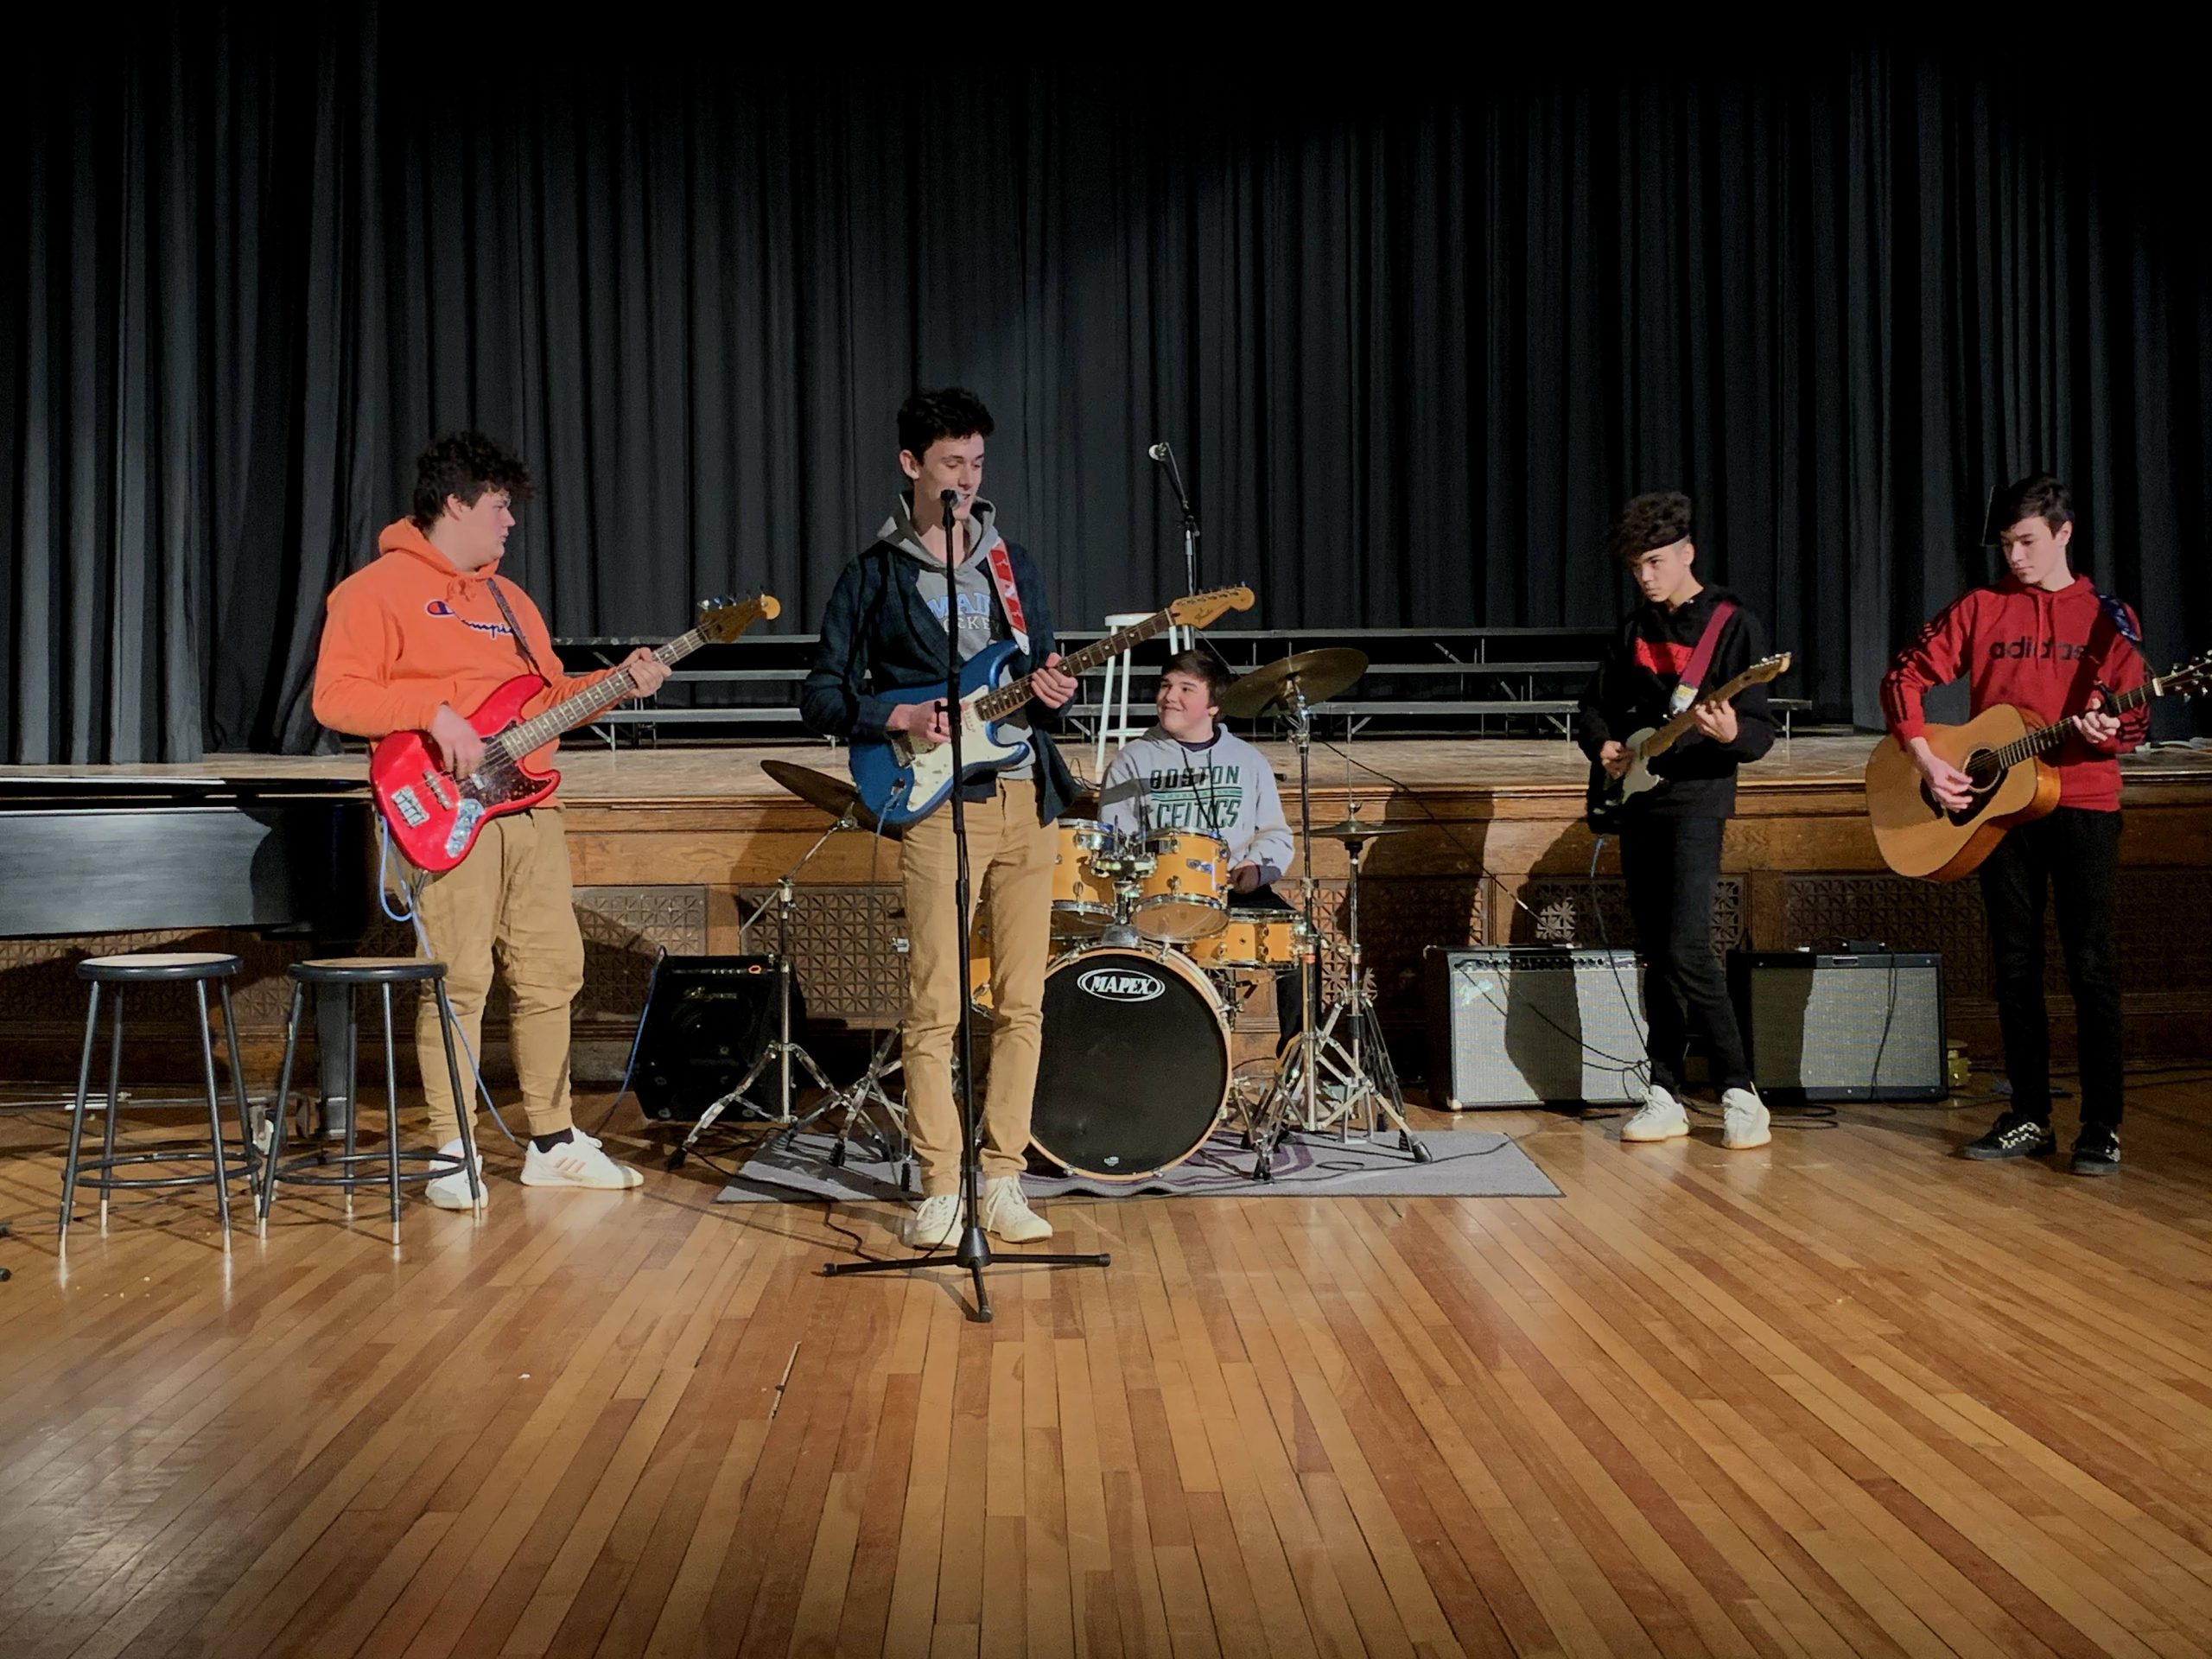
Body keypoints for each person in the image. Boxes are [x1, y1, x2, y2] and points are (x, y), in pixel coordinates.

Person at [312, 431, 671, 1206]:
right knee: (459, 978)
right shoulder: (374, 591)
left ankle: (553, 1141)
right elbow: (335, 697)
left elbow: (545, 700)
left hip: (531, 808)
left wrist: (619, 683)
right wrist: (431, 711)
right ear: (456, 504)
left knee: (552, 971)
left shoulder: (511, 601)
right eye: (500, 507)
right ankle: (452, 1151)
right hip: (443, 809)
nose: (510, 522)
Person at [800, 389, 1079, 1246]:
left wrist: (1055, 691)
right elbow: (820, 694)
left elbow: (1040, 684)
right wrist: (899, 714)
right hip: (935, 803)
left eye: (978, 462)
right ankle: (939, 1184)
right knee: (935, 1007)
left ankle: (1003, 1179)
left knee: (1023, 1002)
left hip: (1026, 798)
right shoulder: (873, 574)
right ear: (912, 465)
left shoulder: (1012, 566)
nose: (968, 478)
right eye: (952, 462)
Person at [1882, 474, 2146, 1174]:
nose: (2016, 557)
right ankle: (2029, 1113)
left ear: (2065, 533)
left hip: (2083, 801)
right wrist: (1926, 758)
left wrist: (2110, 728)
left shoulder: (2108, 617)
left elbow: (2137, 716)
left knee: (2091, 964)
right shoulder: (1982, 607)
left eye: (2028, 542)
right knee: (2014, 963)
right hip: (2000, 809)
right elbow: (1904, 676)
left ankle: (2102, 1124)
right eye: (2006, 544)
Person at [1576, 491, 1776, 1149]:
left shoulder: (1732, 626)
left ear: (1688, 553)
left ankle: (1740, 1089)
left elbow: (1760, 732)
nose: (1645, 576)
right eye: (1636, 566)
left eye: (1655, 562)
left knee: (1688, 947)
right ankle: (1664, 1089)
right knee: (1657, 953)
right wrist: (1603, 745)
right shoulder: (1633, 630)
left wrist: (1729, 733)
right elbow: (1593, 706)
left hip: (1697, 800)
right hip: (1640, 800)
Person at [1098, 650, 1305, 1042]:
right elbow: (1115, 842)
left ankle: (1296, 1059)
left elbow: (1275, 834)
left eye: (1185, 689)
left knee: (1301, 943)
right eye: (1165, 685)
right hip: (1159, 897)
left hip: (1235, 891)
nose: (1169, 696)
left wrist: (1255, 869)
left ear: (1214, 705)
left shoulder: (1247, 760)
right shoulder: (1133, 760)